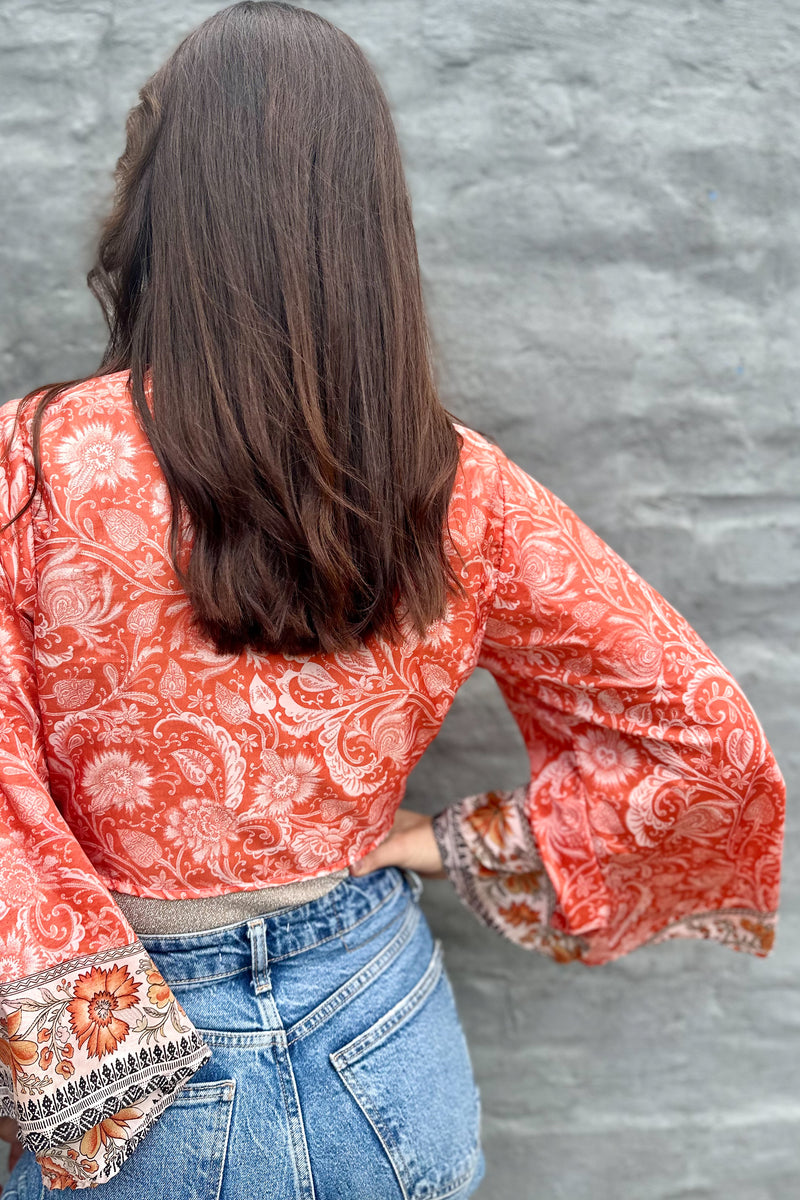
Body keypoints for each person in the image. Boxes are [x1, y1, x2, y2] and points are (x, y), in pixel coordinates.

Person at [0, 1, 785, 1195]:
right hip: (384, 1029)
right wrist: (436, 844)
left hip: (132, 1064)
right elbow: (704, 744)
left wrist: (72, 1026)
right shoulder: (453, 483)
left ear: (160, 204)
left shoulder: (31, 467)